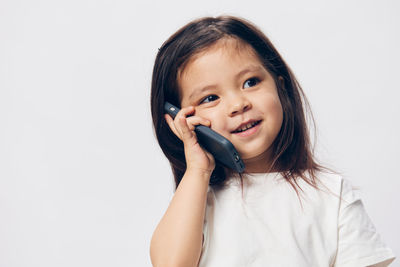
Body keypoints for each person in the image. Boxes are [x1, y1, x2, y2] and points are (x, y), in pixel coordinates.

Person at [149, 15, 396, 267]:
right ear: (180, 118)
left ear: (280, 87)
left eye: (250, 82)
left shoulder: (332, 195)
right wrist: (198, 170)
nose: (238, 104)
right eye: (210, 98)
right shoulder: (195, 199)